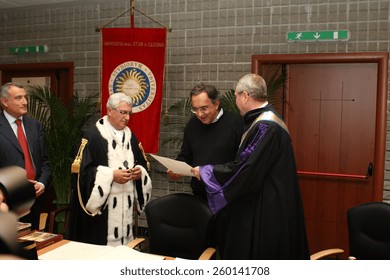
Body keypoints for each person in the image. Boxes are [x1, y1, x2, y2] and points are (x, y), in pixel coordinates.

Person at [192, 74, 310, 259]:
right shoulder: (262, 121)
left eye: (237, 95)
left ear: (245, 96)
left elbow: (246, 168)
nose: (236, 100)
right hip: (267, 197)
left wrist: (206, 172)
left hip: (267, 206)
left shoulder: (266, 126)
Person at [68, 93, 152, 246]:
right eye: (123, 112)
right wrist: (110, 175)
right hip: (100, 214)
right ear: (110, 111)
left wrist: (139, 172)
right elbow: (81, 174)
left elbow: (141, 162)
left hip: (125, 211)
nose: (127, 117)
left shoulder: (131, 137)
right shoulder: (92, 137)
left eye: (129, 113)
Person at [167, 83, 243, 202]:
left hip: (228, 197)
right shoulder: (193, 124)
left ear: (216, 104)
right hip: (200, 196)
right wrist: (176, 169)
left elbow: (242, 163)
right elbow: (186, 155)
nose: (199, 114)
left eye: (204, 108)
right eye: (195, 109)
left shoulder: (236, 123)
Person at [0, 82, 51, 230]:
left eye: (25, 97)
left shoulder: (35, 125)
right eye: (18, 98)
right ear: (5, 102)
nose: (25, 102)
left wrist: (41, 183)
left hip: (34, 199)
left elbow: (45, 161)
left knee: (32, 246)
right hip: (7, 200)